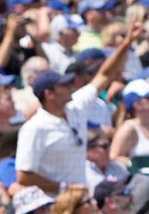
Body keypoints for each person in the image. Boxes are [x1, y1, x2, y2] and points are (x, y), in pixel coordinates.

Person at [16, 26, 138, 193]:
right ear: (49, 94)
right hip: (53, 204)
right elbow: (23, 176)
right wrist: (63, 188)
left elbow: (104, 75)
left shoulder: (75, 107)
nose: (70, 86)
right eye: (64, 85)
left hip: (80, 201)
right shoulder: (34, 128)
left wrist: (126, 43)